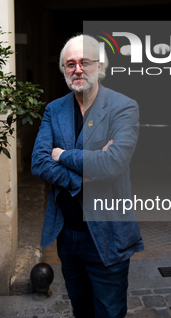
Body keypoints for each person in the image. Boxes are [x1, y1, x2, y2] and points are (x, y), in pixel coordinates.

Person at [31, 34, 144, 317]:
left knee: (109, 311)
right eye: (70, 64)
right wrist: (81, 178)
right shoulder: (53, 109)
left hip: (108, 234)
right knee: (80, 309)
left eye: (85, 62)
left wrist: (62, 155)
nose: (77, 69)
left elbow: (111, 164)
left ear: (100, 66)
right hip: (68, 234)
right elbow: (38, 163)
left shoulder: (123, 107)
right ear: (64, 70)